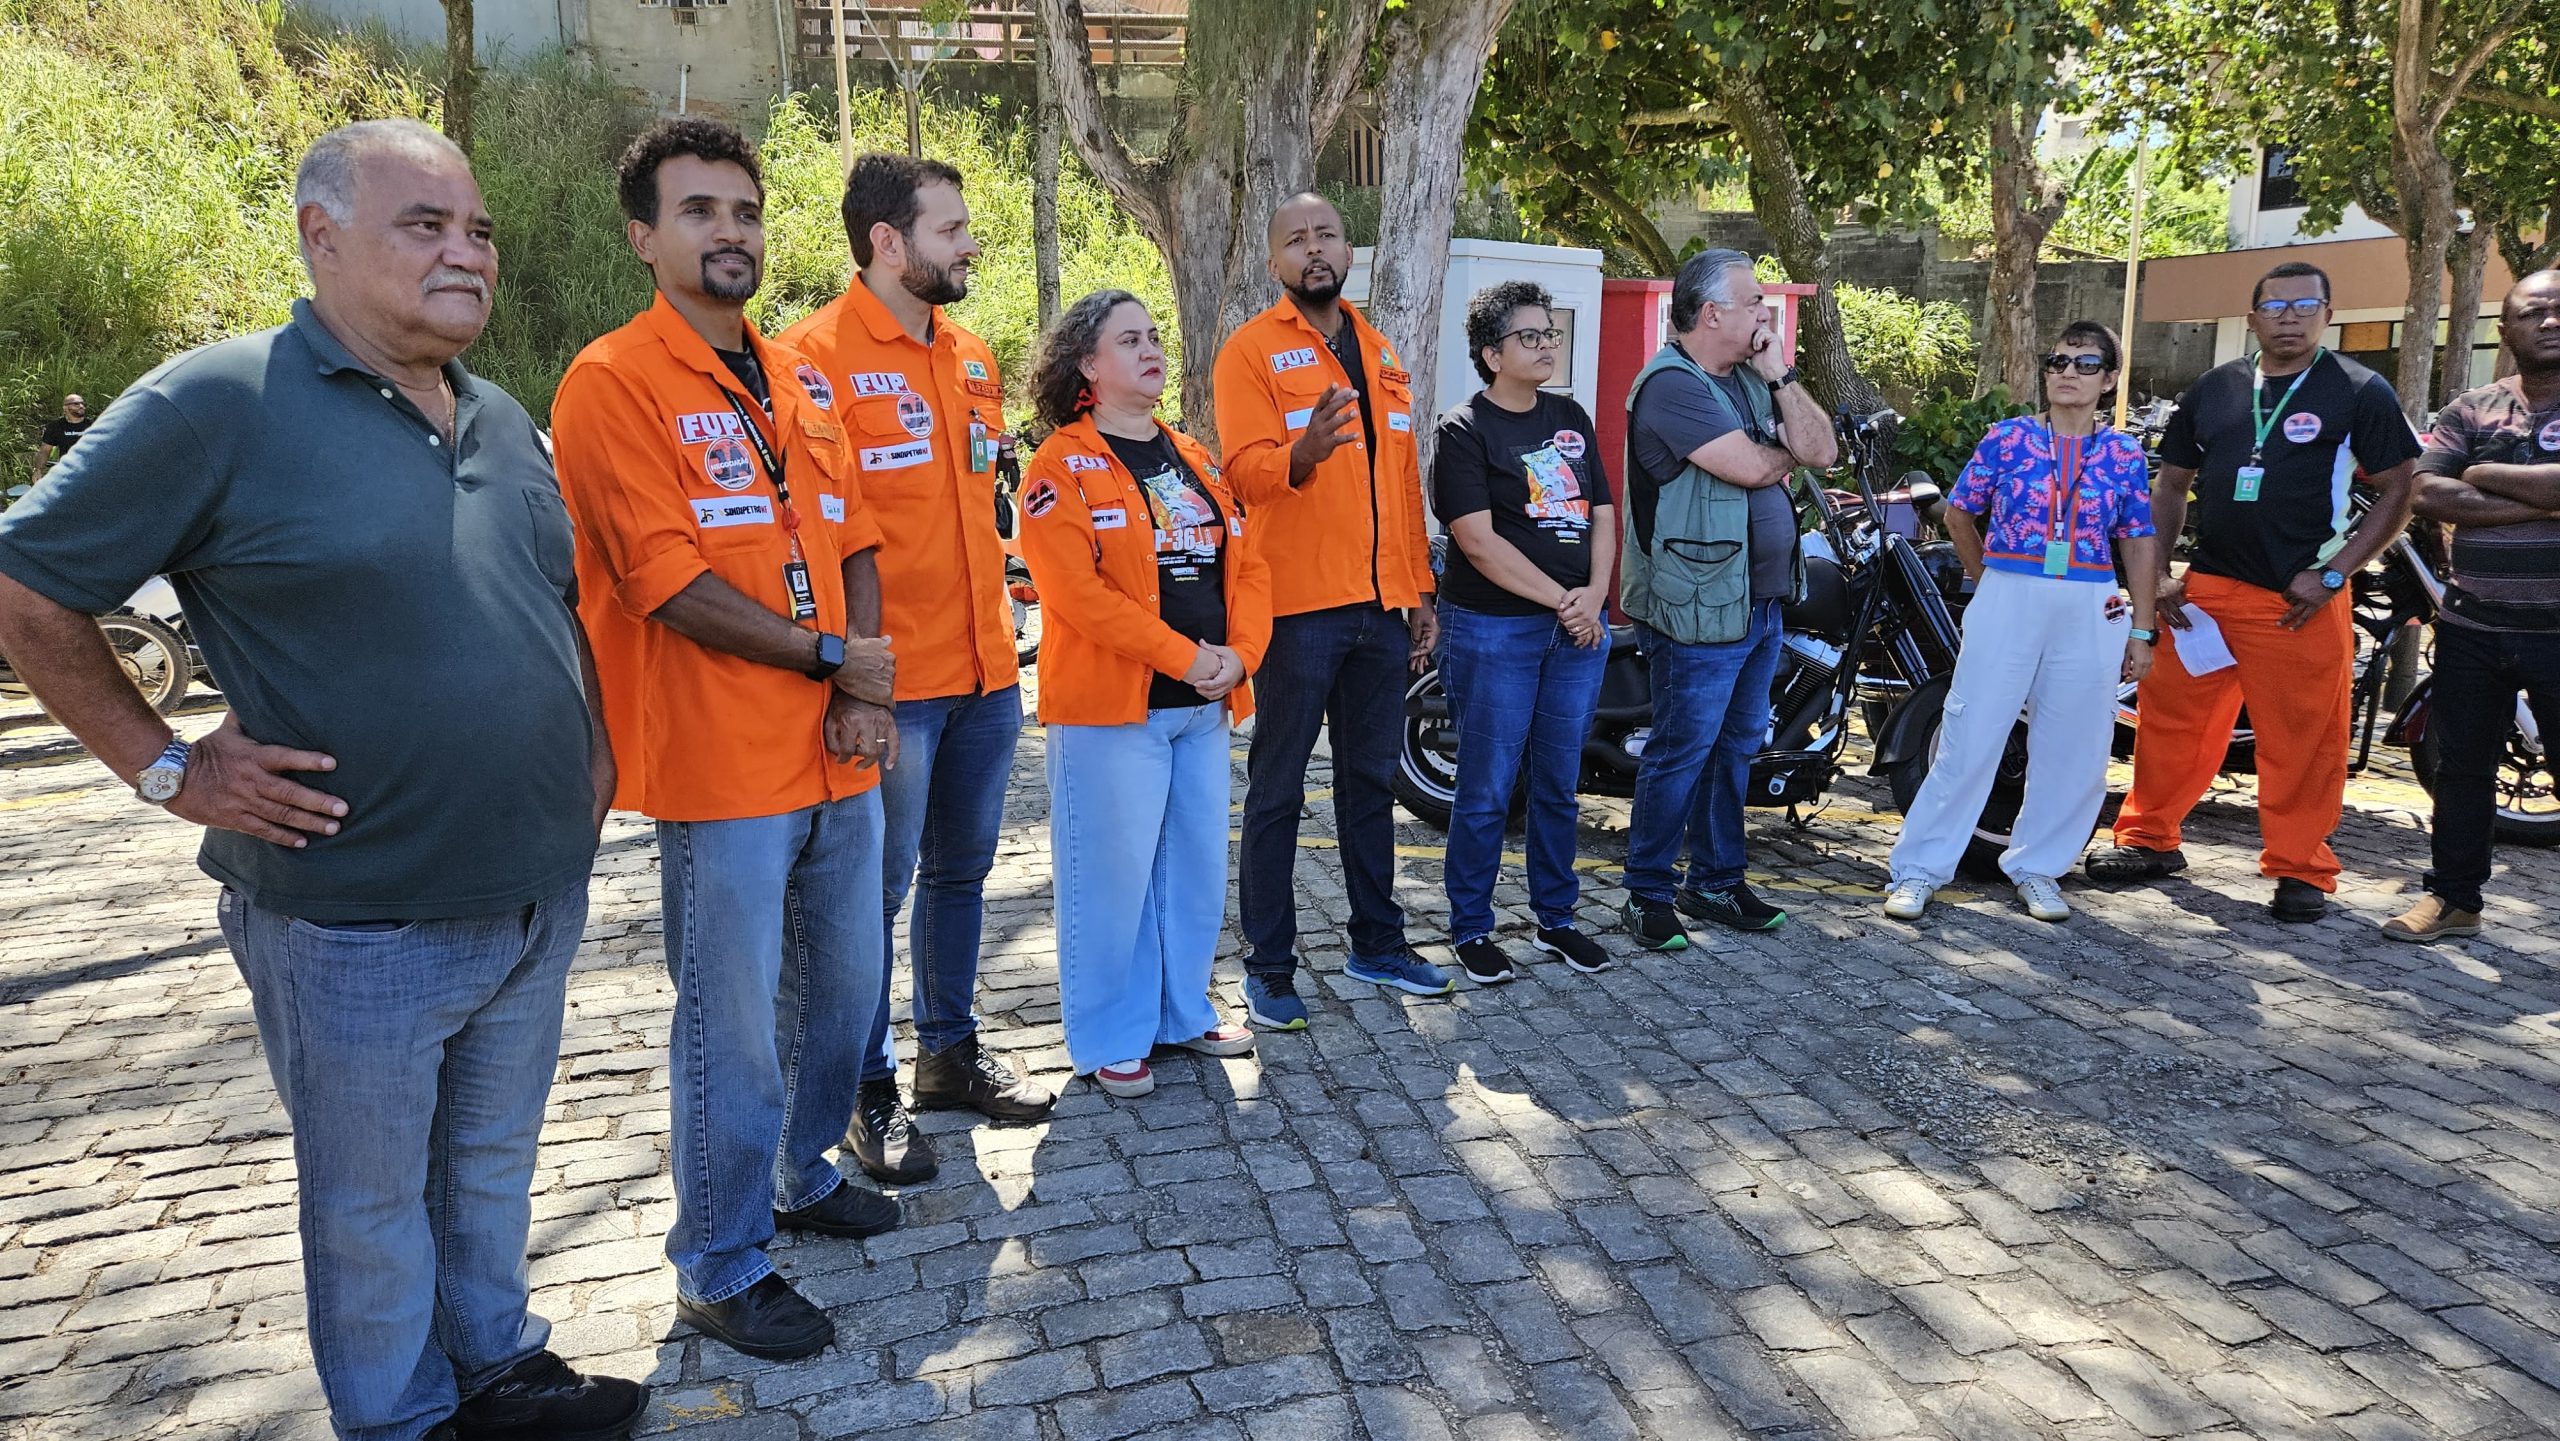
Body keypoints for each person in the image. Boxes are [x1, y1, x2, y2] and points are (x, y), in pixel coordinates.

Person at [0, 119, 644, 1441]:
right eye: (427, 225)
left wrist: (591, 751)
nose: (468, 252)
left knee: (488, 1166)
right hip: (356, 918)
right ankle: (402, 1419)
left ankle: (498, 1369)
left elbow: (551, 602)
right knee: (369, 1205)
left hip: (533, 891)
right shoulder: (219, 403)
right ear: (322, 237)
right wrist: (168, 766)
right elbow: (26, 586)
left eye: (480, 230)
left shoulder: (500, 416)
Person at [551, 118, 902, 1363]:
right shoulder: (612, 381)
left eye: (745, 211)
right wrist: (827, 658)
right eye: (698, 211)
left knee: (845, 988)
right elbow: (664, 581)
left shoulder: (796, 375)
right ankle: (717, 1260)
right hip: (721, 764)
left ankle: (799, 1175)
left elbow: (856, 538)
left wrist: (862, 684)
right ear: (643, 238)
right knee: (731, 1026)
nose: (730, 232)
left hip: (834, 747)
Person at [780, 152, 1053, 1186]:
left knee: (961, 875)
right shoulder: (811, 359)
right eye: (952, 229)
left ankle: (948, 1052)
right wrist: (852, 675)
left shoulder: (970, 355)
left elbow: (981, 503)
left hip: (988, 672)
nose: (971, 244)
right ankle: (865, 1088)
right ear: (887, 242)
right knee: (870, 895)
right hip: (894, 687)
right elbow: (814, 535)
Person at [2087, 261, 2421, 920]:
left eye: (2304, 305)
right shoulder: (2216, 388)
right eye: (2274, 306)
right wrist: (2158, 575)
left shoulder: (2359, 389)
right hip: (2205, 593)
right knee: (2171, 723)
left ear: (2328, 315)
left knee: (2303, 739)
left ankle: (2301, 868)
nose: (2289, 318)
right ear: (2252, 318)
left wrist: (2334, 573)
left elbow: (2400, 489)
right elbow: (2171, 485)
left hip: (2300, 600)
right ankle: (2149, 839)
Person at [1015, 290, 1266, 1094]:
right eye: (1129, 340)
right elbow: (1077, 595)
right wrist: (1186, 657)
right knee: (1110, 879)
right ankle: (1108, 1035)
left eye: (1154, 335)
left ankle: (1181, 1010)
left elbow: (1249, 563)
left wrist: (1241, 656)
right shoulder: (1059, 466)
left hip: (1202, 706)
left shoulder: (1193, 455)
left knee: (1192, 870)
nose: (1152, 349)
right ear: (1087, 366)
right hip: (1112, 712)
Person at [1215, 192, 1449, 1029]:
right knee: (1278, 788)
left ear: (1350, 251)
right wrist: (1303, 453)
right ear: (1273, 261)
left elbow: (1402, 483)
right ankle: (1269, 966)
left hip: (1380, 608)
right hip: (1296, 610)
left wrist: (1418, 590)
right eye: (1296, 240)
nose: (1314, 249)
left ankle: (1378, 942)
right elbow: (1241, 474)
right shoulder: (1249, 351)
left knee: (1370, 783)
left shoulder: (1381, 353)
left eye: (1327, 235)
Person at [1882, 322, 2159, 923]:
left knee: (2075, 745)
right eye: (2058, 361)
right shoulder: (2007, 439)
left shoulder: (2124, 455)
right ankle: (1919, 868)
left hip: (2089, 599)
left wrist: (2142, 629)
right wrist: (1989, 581)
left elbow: (2138, 540)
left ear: (2110, 380)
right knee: (1970, 734)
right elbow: (1959, 515)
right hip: (2010, 588)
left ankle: (2039, 867)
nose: (2067, 372)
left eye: (2086, 364)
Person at [1615, 248, 1838, 951]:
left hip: (1758, 604)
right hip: (1697, 608)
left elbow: (1821, 448)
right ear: (1711, 314)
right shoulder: (1669, 386)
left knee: (1735, 747)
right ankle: (1647, 893)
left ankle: (1714, 881)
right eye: (1754, 304)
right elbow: (1751, 467)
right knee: (1681, 750)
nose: (1765, 316)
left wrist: (1781, 376)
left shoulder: (1749, 378)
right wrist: (1784, 450)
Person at [1431, 280, 1618, 983]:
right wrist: (1565, 601)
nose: (1546, 345)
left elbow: (1604, 512)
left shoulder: (1569, 415)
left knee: (1558, 782)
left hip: (1575, 628)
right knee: (1487, 787)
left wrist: (1594, 595)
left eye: (1550, 334)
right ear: (1491, 353)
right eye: (1530, 336)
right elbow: (1477, 542)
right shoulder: (1463, 430)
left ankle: (1556, 919)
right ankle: (1471, 927)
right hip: (1495, 629)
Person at [2382, 268, 2560, 942]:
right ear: (2505, 329)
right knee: (2461, 769)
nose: (2549, 321)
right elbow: (2428, 493)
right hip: (2473, 623)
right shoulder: (2473, 408)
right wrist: (2542, 500)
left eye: (2559, 310)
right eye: (2532, 312)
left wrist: (2482, 476)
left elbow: (2460, 486)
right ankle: (2455, 900)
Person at [28, 393, 89, 488]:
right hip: (67, 473)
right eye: (76, 404)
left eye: (83, 404)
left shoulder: (94, 425)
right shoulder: (55, 427)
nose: (81, 406)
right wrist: (38, 470)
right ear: (65, 408)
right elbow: (44, 451)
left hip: (91, 471)